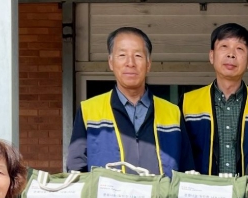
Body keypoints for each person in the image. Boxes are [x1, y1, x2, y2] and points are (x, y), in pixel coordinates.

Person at [67, 27, 194, 176]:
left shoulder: (172, 112)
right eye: (122, 55)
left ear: (148, 64)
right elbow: (76, 171)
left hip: (160, 192)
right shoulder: (89, 110)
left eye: (138, 55)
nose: (130, 63)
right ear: (110, 62)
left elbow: (187, 172)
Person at [182, 23, 248, 176]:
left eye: (240, 48)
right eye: (224, 46)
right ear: (211, 56)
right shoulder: (187, 103)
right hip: (202, 189)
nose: (231, 54)